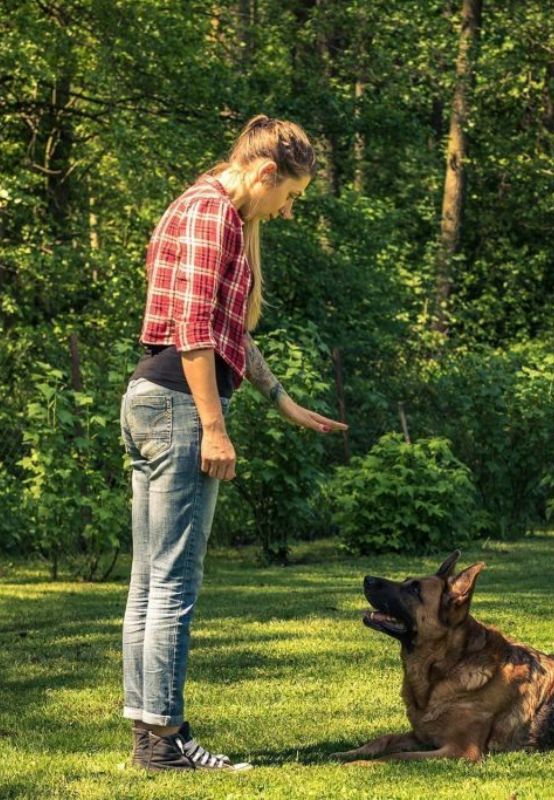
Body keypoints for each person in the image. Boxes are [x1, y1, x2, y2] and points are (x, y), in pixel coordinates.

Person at [119, 114, 347, 772]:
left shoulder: (225, 213)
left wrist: (283, 401)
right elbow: (193, 329)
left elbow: (238, 326)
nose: (287, 212)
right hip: (178, 406)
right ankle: (165, 741)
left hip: (163, 402)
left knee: (151, 582)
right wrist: (214, 427)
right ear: (267, 172)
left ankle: (150, 736)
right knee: (172, 585)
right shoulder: (208, 212)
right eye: (290, 197)